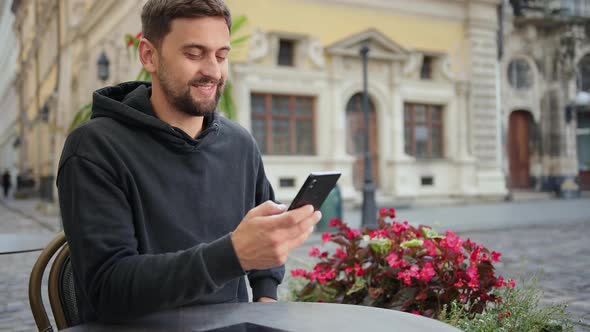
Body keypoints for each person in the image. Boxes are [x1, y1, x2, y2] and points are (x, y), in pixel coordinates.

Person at [57, 0, 321, 324]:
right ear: (149, 56)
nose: (212, 70)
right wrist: (233, 254)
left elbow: (265, 235)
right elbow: (108, 289)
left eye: (221, 55)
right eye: (194, 53)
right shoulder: (94, 148)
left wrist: (265, 295)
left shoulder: (240, 144)